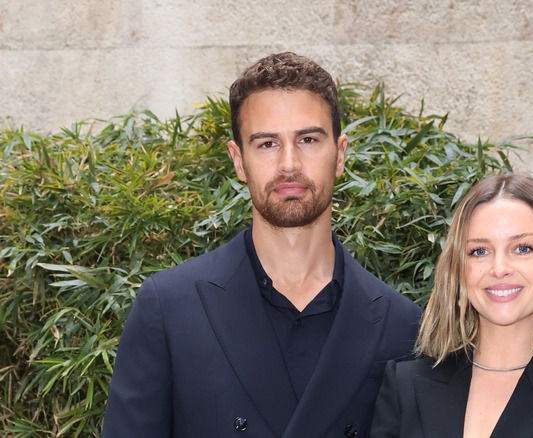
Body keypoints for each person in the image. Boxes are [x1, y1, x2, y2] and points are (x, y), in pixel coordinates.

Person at [103, 52, 422, 438]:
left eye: (308, 139)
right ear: (238, 160)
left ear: (340, 155)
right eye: (267, 143)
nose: (289, 163)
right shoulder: (168, 307)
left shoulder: (401, 324)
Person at [370, 174, 533, 437]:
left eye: (523, 248)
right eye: (479, 251)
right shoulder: (404, 387)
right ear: (460, 269)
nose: (500, 269)